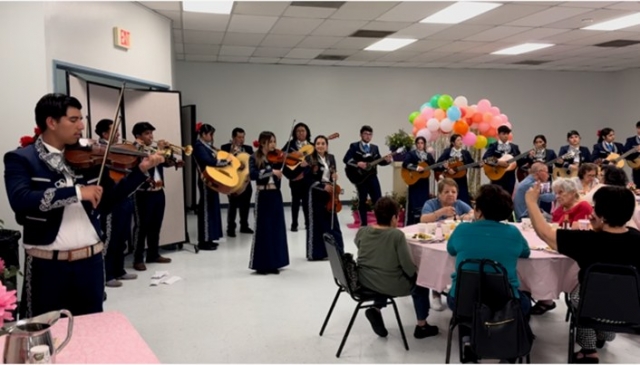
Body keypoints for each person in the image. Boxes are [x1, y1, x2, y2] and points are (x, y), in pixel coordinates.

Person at [3, 93, 164, 317]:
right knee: (45, 334)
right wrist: (77, 192)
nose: (81, 126)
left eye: (81, 119)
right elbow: (21, 200)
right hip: (47, 265)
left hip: (90, 262)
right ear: (51, 122)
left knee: (91, 330)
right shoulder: (21, 159)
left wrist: (140, 172)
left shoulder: (89, 157)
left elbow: (109, 200)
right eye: (73, 119)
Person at [525, 185, 640, 363]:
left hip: (591, 306)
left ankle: (588, 350)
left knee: (580, 296)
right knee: (601, 299)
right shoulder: (636, 238)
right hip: (630, 310)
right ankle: (604, 333)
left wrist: (531, 202)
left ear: (602, 216)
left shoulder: (585, 240)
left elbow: (545, 233)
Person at [447, 184, 532, 363]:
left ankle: (468, 342)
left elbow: (451, 249)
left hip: (463, 301)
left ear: (478, 211)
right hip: (503, 303)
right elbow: (526, 252)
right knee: (525, 301)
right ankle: (508, 344)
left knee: (465, 297)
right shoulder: (513, 233)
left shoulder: (462, 230)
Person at [355, 197, 439, 339]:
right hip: (388, 283)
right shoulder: (396, 235)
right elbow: (407, 266)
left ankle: (376, 309)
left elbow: (359, 245)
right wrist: (417, 275)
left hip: (365, 280)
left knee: (382, 272)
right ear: (394, 217)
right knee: (421, 284)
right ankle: (422, 325)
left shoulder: (363, 231)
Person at [131, 122, 180, 271]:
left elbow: (167, 162)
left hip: (158, 191)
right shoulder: (134, 149)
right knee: (142, 227)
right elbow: (141, 165)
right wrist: (159, 150)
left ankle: (153, 253)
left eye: (151, 133)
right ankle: (138, 258)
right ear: (138, 136)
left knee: (156, 224)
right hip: (143, 193)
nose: (151, 136)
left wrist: (168, 152)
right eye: (147, 134)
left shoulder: (152, 149)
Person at [94, 119, 137, 288]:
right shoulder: (100, 151)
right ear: (105, 134)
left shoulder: (117, 150)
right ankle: (107, 273)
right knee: (110, 237)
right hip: (110, 200)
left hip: (124, 196)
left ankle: (119, 269)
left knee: (122, 236)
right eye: (115, 131)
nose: (118, 134)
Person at [249, 131, 289, 274]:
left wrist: (300, 164)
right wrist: (270, 171)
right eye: (270, 141)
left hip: (275, 195)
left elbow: (289, 171)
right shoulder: (254, 157)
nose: (273, 144)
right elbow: (253, 175)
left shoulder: (277, 157)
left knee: (276, 229)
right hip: (263, 194)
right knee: (263, 229)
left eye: (274, 141)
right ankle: (262, 264)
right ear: (262, 142)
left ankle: (275, 263)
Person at [344, 125, 392, 227]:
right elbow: (346, 159)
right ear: (361, 135)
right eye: (365, 134)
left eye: (370, 134)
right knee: (362, 200)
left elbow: (379, 161)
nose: (368, 136)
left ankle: (381, 223)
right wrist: (358, 164)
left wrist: (387, 161)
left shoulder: (375, 148)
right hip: (360, 178)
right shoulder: (354, 146)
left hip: (372, 176)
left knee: (378, 200)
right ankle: (364, 224)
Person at [306, 135, 344, 261]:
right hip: (317, 193)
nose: (320, 146)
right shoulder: (310, 158)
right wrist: (322, 186)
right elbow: (308, 179)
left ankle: (338, 251)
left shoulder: (331, 158)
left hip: (330, 194)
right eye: (318, 143)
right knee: (318, 223)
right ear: (315, 145)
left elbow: (333, 171)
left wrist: (335, 176)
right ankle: (317, 253)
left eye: (323, 143)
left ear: (327, 145)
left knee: (333, 223)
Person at [192, 123, 228, 251]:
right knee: (206, 209)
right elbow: (207, 161)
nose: (212, 137)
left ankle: (210, 237)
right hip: (205, 180)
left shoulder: (207, 146)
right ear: (202, 134)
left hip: (212, 180)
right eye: (210, 134)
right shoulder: (198, 146)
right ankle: (204, 240)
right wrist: (223, 162)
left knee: (212, 208)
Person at [220, 127, 254, 237]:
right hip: (232, 180)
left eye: (243, 137)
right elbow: (224, 163)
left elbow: (252, 163)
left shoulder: (248, 149)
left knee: (246, 204)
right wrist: (231, 153)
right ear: (233, 138)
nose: (242, 139)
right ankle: (231, 228)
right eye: (239, 137)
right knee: (233, 205)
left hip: (245, 181)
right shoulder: (225, 148)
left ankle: (244, 225)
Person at [282, 122, 311, 232]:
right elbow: (282, 156)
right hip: (294, 178)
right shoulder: (290, 144)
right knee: (295, 202)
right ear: (295, 133)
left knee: (306, 202)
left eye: (303, 130)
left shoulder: (311, 145)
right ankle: (294, 223)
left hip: (307, 178)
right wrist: (292, 156)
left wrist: (308, 164)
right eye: (298, 131)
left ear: (307, 132)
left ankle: (308, 223)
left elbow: (315, 161)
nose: (300, 133)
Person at [483, 125, 524, 196]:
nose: (506, 136)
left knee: (508, 198)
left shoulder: (514, 147)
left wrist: (528, 157)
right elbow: (486, 159)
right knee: (496, 197)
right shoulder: (494, 146)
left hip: (510, 177)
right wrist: (498, 162)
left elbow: (520, 162)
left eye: (507, 134)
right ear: (499, 135)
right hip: (497, 175)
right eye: (503, 134)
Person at [436, 134, 477, 205]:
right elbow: (438, 164)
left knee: (463, 196)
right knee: (450, 195)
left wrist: (480, 165)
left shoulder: (465, 153)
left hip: (462, 178)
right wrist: (447, 168)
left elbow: (471, 163)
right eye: (458, 140)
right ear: (453, 143)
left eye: (461, 140)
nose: (460, 142)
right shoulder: (447, 152)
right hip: (450, 179)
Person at [402, 136, 435, 225]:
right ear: (416, 144)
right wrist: (416, 167)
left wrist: (444, 166)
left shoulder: (428, 155)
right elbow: (405, 164)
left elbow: (434, 165)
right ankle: (411, 223)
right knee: (413, 203)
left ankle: (423, 222)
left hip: (424, 183)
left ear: (424, 144)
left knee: (424, 202)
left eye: (422, 143)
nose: (420, 145)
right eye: (418, 143)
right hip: (414, 182)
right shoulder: (411, 154)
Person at [624, 121, 640, 187]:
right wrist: (636, 151)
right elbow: (625, 154)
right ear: (636, 128)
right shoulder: (631, 140)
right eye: (639, 128)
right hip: (637, 168)